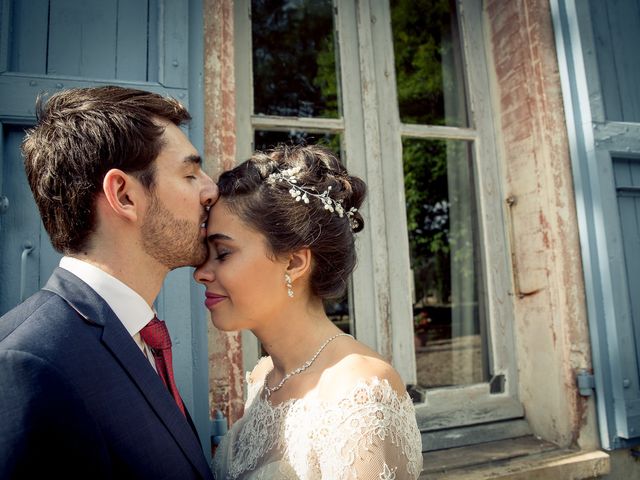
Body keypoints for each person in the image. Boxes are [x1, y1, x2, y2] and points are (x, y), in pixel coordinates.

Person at [0, 86, 217, 479]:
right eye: (189, 174)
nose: (211, 190)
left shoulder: (137, 335)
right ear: (124, 195)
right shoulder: (27, 362)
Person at [194, 145, 423, 479]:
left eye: (223, 253)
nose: (200, 272)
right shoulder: (263, 378)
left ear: (295, 261)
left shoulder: (359, 391)